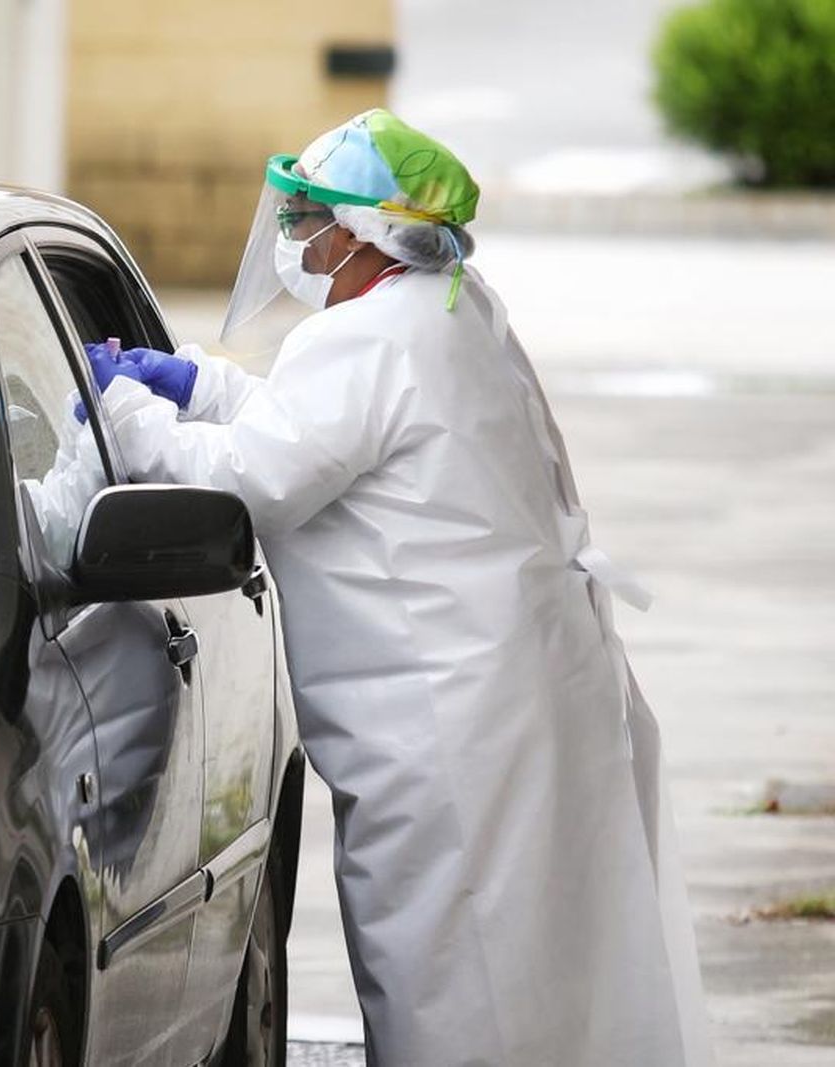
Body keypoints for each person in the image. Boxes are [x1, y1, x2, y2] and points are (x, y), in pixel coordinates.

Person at [89, 109, 713, 1066]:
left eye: (311, 220)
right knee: (540, 962)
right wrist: (199, 385)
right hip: (515, 688)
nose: (297, 240)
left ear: (366, 231)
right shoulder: (450, 307)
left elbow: (250, 482)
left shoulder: (372, 338)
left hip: (449, 725)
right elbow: (326, 433)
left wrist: (126, 407)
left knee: (451, 967)